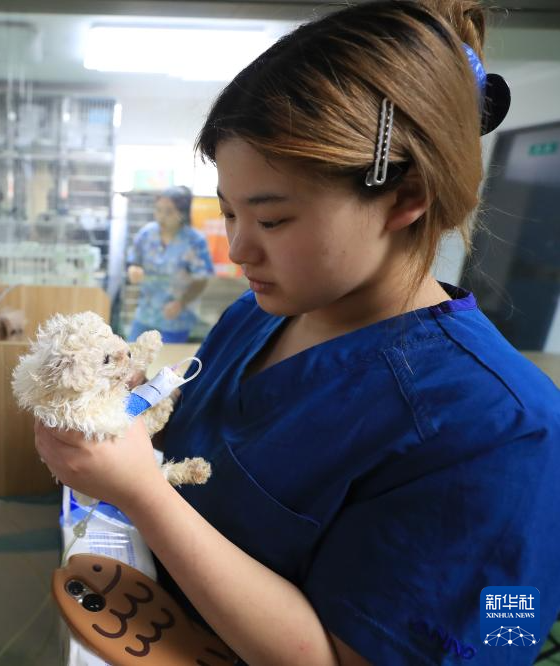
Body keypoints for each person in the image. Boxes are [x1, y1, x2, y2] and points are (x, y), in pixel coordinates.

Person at [35, 1, 560, 664]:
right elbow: (209, 455)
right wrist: (132, 421)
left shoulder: (499, 433)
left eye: (272, 220)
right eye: (229, 213)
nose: (239, 250)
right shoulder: (256, 316)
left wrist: (140, 491)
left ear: (404, 197)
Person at [125, 186, 214, 343]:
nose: (161, 217)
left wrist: (181, 302)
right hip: (145, 314)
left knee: (166, 358)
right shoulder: (146, 234)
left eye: (169, 212)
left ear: (182, 214)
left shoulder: (194, 241)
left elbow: (202, 279)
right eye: (158, 210)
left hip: (176, 318)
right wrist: (133, 270)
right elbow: (134, 261)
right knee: (132, 353)